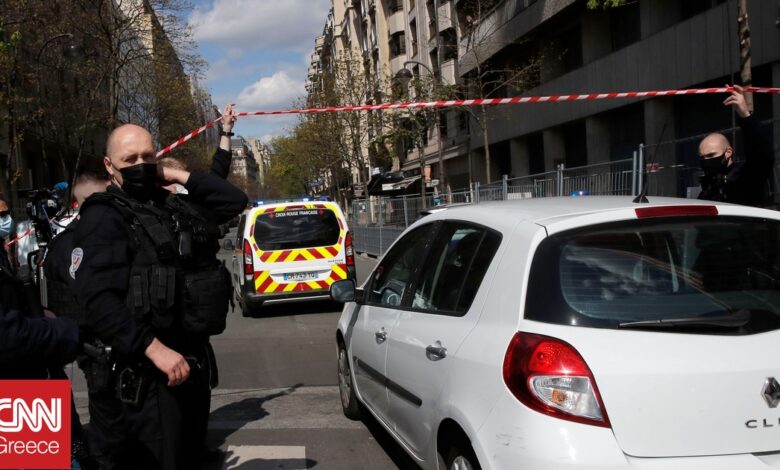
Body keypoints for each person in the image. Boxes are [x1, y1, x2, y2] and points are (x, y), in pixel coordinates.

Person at [71, 106, 246, 469]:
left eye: (147, 156)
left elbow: (233, 200)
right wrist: (154, 350)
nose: (140, 165)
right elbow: (97, 301)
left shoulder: (167, 205)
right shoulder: (105, 216)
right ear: (109, 166)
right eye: (130, 159)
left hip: (189, 361)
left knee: (191, 457)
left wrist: (171, 172)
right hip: (148, 371)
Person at [698, 84, 775, 207]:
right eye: (703, 157)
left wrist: (745, 116)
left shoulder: (745, 177)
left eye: (711, 155)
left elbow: (763, 156)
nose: (706, 161)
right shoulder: (707, 191)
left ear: (728, 152)